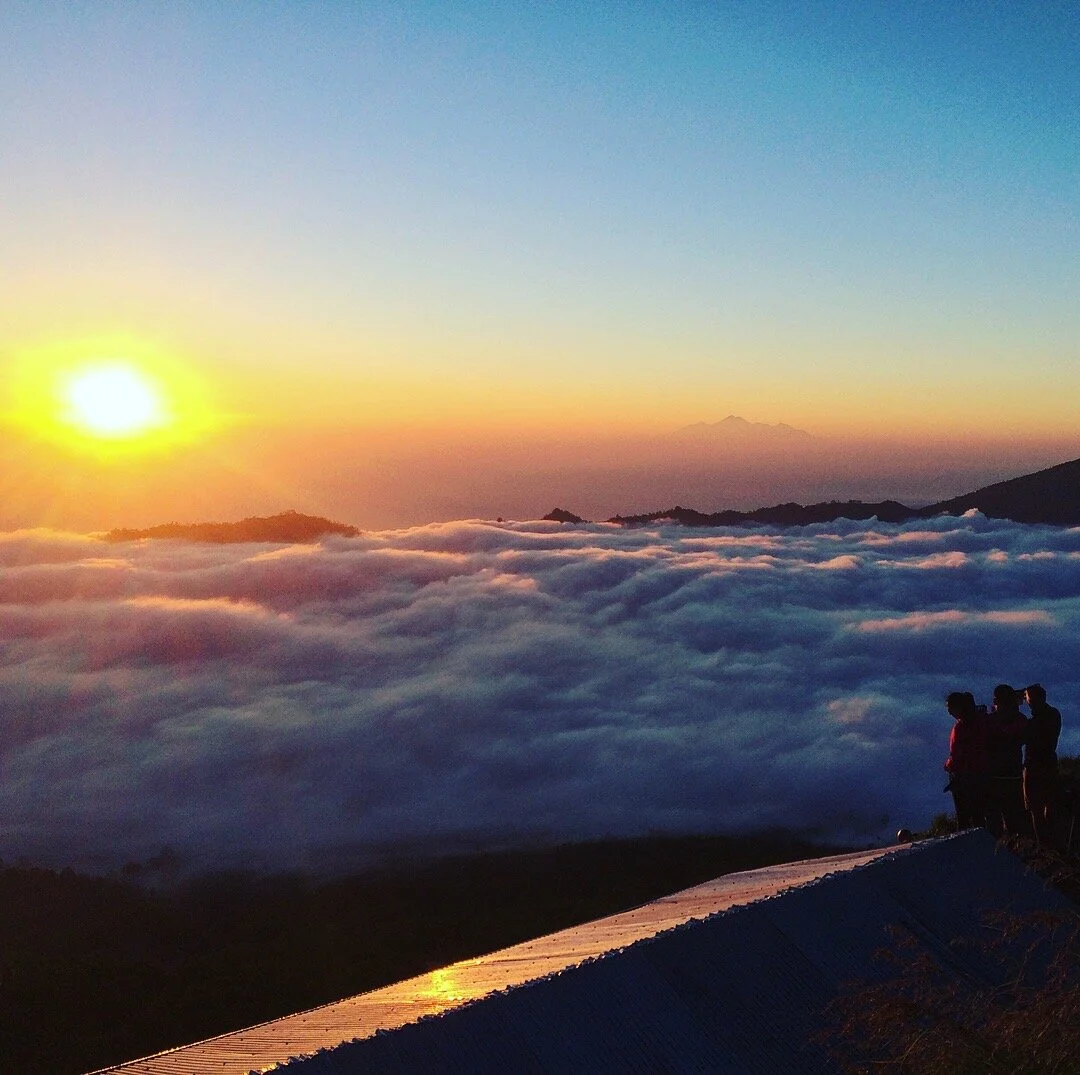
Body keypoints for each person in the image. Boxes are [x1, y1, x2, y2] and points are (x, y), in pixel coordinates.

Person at [984, 684, 1029, 838]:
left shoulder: (989, 721)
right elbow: (1022, 739)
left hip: (994, 776)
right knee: (1014, 820)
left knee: (994, 823)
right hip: (1013, 774)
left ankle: (997, 848)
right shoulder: (1021, 719)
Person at [1022, 683, 1061, 847]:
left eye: (1027, 698)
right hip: (1049, 763)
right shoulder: (1054, 714)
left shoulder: (1034, 722)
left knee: (1035, 808)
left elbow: (1022, 737)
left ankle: (1044, 845)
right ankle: (1052, 844)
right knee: (1048, 805)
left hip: (1034, 766)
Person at [944, 691, 988, 829]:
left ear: (959, 707)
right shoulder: (982, 719)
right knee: (978, 814)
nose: (949, 712)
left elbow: (957, 753)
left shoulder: (961, 727)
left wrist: (948, 766)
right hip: (982, 772)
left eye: (950, 708)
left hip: (964, 776)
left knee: (964, 817)